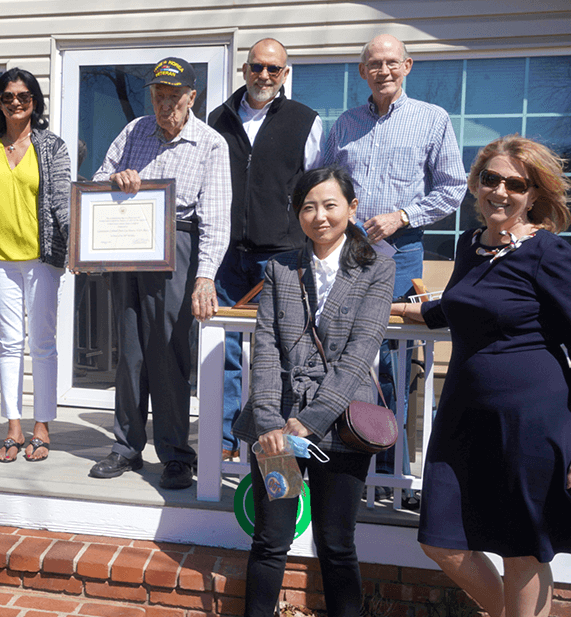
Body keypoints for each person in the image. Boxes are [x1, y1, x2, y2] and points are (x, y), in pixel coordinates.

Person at [391, 135, 571, 617]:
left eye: (516, 184)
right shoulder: (470, 244)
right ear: (475, 183)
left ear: (533, 194)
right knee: (442, 542)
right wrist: (390, 304)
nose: (500, 191)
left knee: (522, 550)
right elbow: (455, 305)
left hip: (531, 418)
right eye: (490, 178)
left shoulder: (548, 252)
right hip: (464, 415)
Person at [235, 166, 394, 617]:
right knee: (271, 539)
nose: (319, 216)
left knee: (336, 542)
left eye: (330, 204)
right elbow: (265, 350)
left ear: (351, 208)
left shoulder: (376, 268)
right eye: (308, 206)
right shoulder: (281, 267)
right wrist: (268, 421)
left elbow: (359, 354)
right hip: (278, 429)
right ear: (297, 213)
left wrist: (309, 421)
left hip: (341, 426)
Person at [324, 34, 466, 495]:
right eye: (373, 64)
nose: (383, 70)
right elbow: (324, 183)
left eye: (391, 62)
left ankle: (387, 472)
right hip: (345, 252)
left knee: (388, 360)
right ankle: (347, 461)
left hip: (400, 252)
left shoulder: (432, 119)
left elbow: (452, 187)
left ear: (407, 66)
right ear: (361, 71)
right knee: (344, 353)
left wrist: (404, 215)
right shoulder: (343, 124)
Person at [88, 57, 230, 490]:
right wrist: (116, 179)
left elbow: (216, 218)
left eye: (174, 95)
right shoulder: (133, 132)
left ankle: (174, 454)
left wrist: (205, 276)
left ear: (191, 97)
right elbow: (96, 180)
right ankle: (127, 448)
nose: (165, 103)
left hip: (179, 247)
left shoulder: (210, 143)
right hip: (129, 246)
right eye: (158, 94)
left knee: (169, 354)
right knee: (129, 352)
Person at [208, 38, 323, 460]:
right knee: (226, 354)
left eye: (274, 69)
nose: (264, 76)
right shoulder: (216, 119)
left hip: (283, 254)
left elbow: (314, 188)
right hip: (226, 256)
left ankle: (274, 444)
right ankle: (223, 442)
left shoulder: (304, 120)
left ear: (285, 74)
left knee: (280, 354)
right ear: (245, 69)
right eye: (258, 67)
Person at [0, 68, 70, 463]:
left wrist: (76, 248)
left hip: (42, 259)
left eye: (24, 97)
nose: (15, 102)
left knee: (42, 344)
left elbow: (62, 201)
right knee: (8, 344)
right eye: (8, 96)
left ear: (35, 102)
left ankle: (42, 426)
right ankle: (13, 426)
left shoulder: (52, 146)